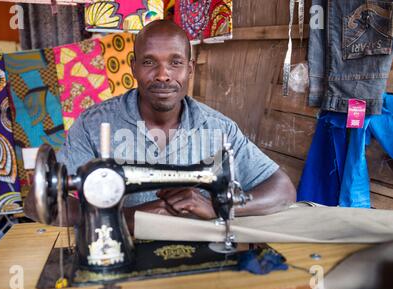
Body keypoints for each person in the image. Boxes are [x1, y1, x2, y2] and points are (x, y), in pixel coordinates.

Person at [25, 20, 296, 232]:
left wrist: (219, 205)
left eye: (175, 63)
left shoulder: (217, 128)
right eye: (149, 62)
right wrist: (124, 218)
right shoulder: (94, 124)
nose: (163, 75)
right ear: (133, 67)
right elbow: (36, 203)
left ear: (190, 68)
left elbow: (282, 190)